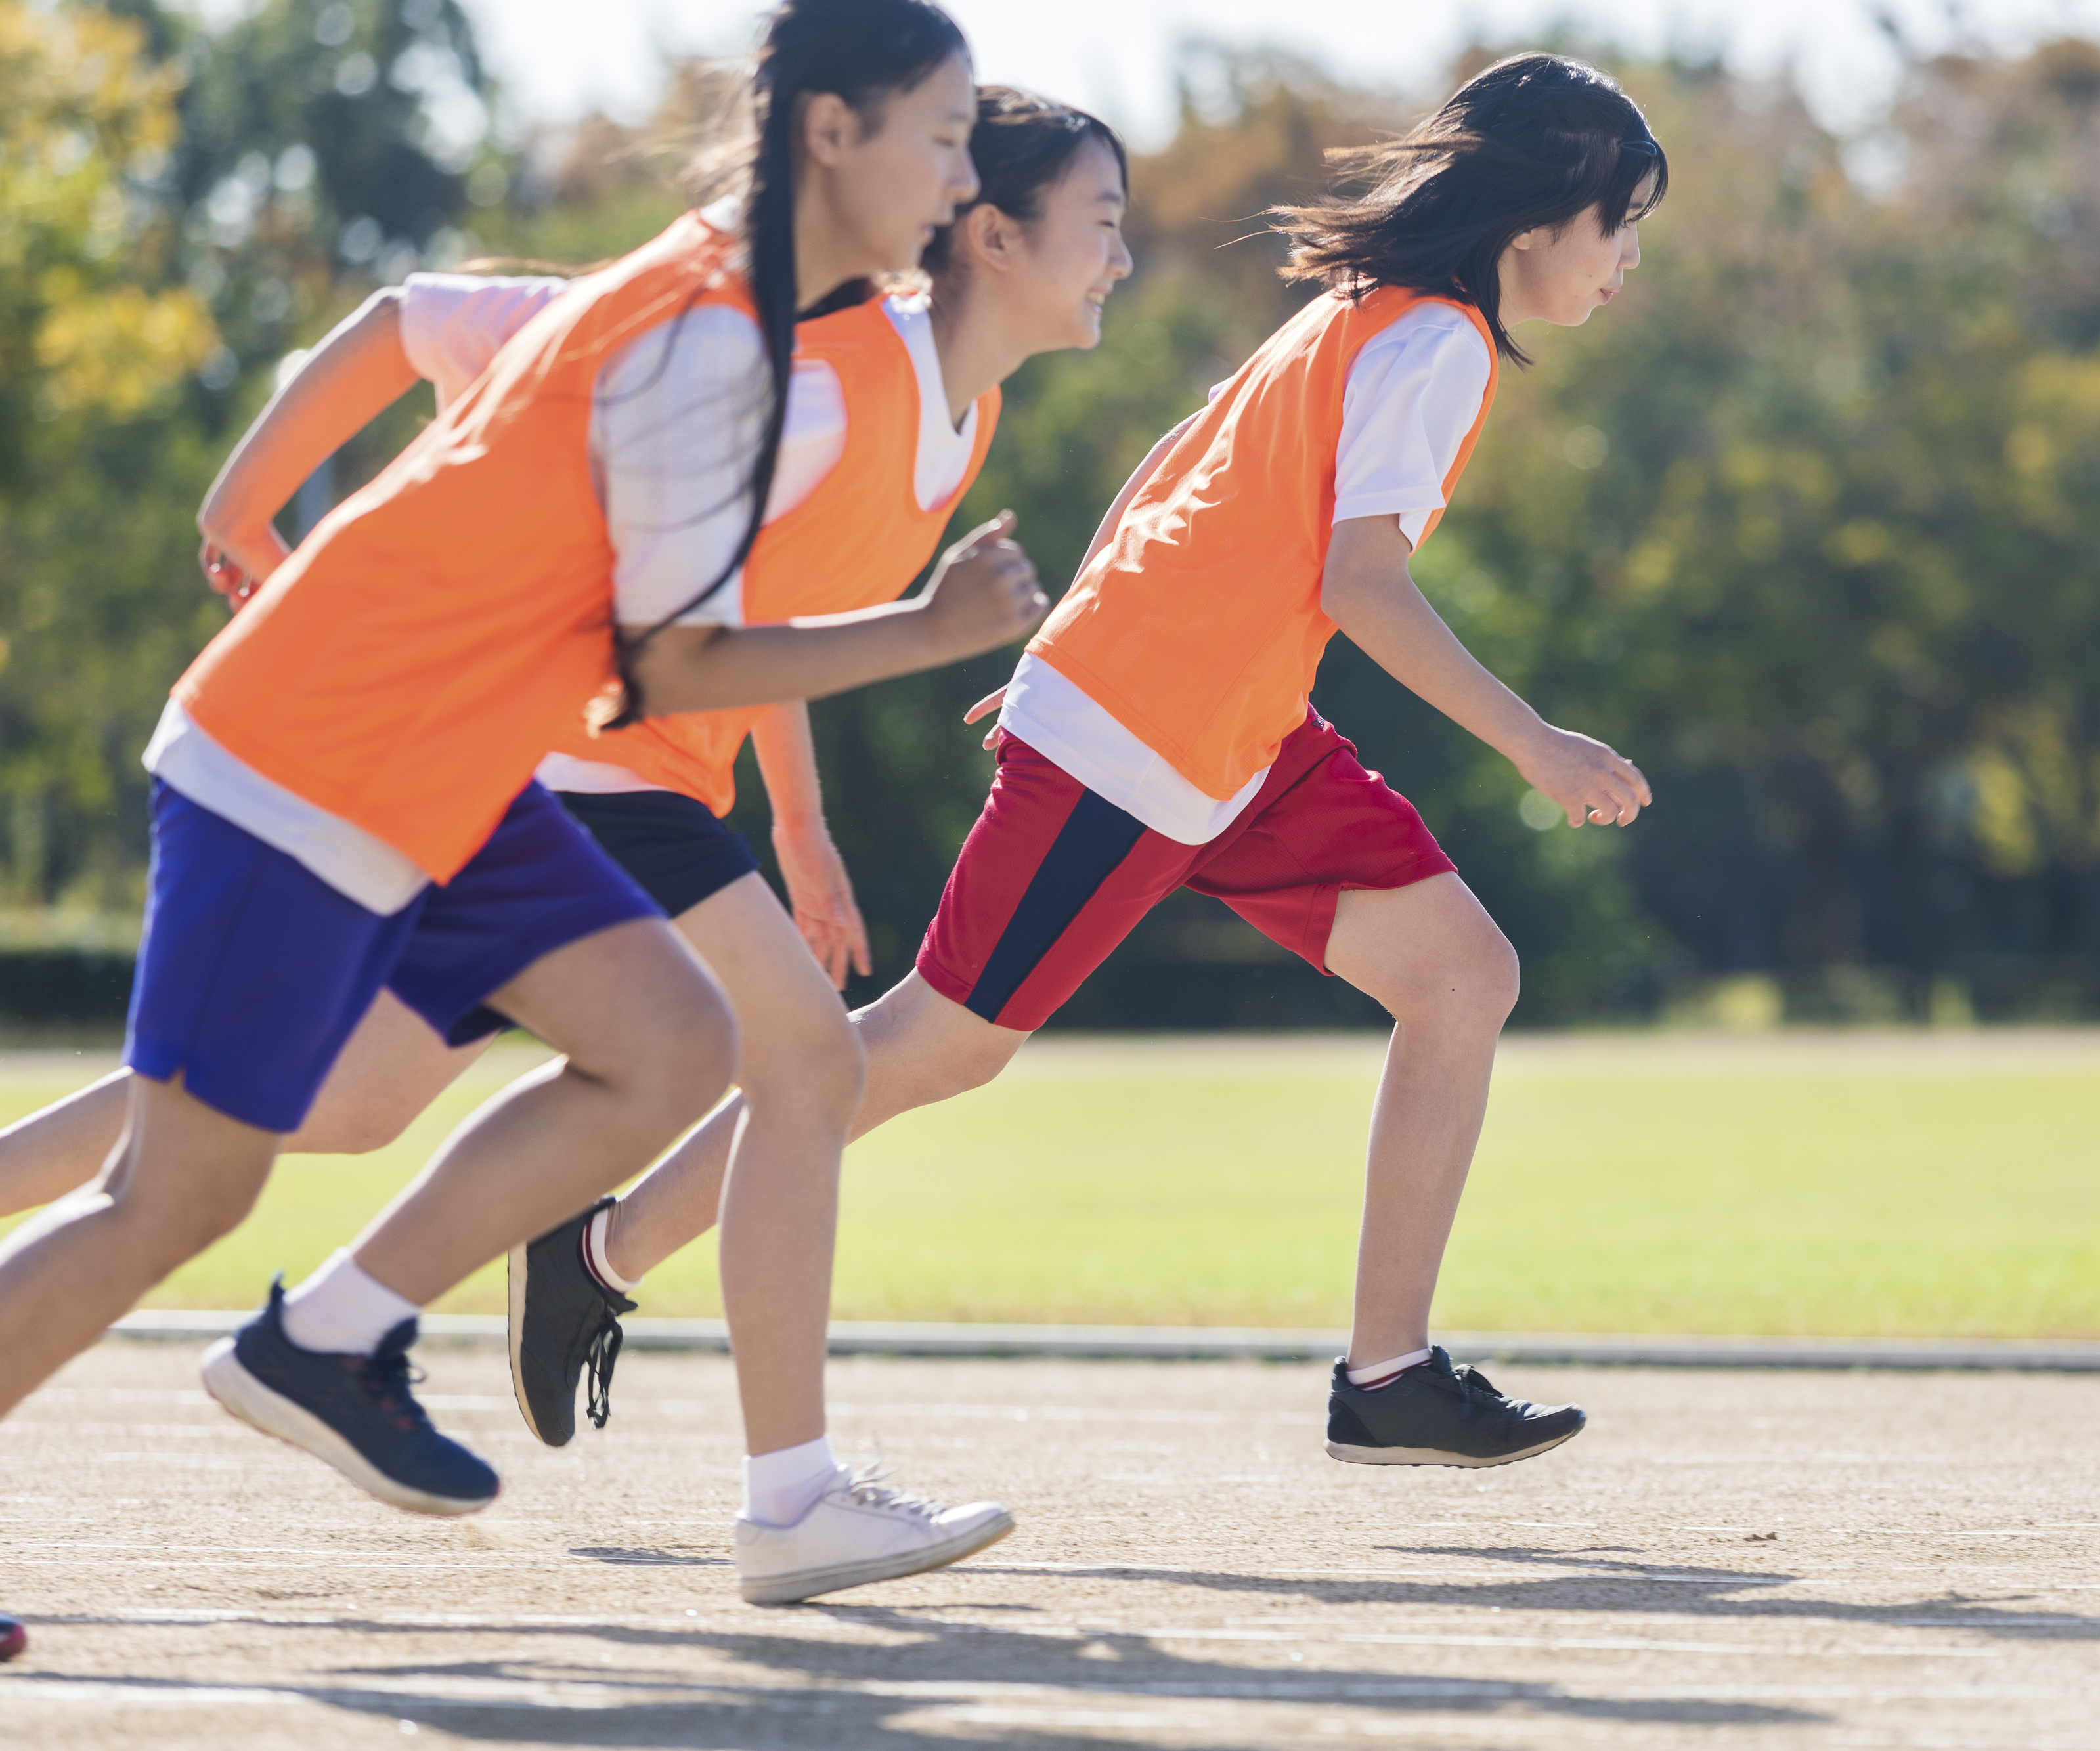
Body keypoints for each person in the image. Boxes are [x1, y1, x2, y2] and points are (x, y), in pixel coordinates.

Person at [0, 0, 1049, 1609]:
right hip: (313, 748)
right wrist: (930, 632)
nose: (960, 173)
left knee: (674, 1044)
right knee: (182, 1191)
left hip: (449, 769)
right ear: (832, 132)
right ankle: (331, 1339)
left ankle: (335, 1336)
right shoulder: (716, 335)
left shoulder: (735, 303)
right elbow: (668, 662)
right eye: (942, 131)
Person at [519, 50, 1667, 1470]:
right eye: (1621, 221)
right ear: (1535, 222)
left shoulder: (1364, 315)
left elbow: (1173, 463)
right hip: (1144, 734)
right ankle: (598, 1246)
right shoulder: (1431, 341)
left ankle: (1387, 1372)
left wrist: (1064, 638)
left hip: (1232, 737)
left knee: (1461, 974)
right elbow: (1360, 580)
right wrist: (1536, 743)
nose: (1626, 257)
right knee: (932, 1045)